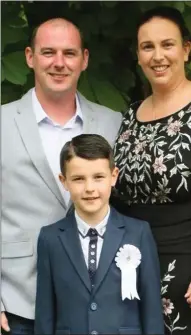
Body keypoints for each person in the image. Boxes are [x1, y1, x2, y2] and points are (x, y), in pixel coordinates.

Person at [1, 18, 122, 335]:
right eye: (48, 52)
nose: (58, 63)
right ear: (30, 57)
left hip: (96, 303)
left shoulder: (113, 124)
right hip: (18, 301)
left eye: (69, 53)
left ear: (84, 59)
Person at [112, 6, 191, 335]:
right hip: (133, 275)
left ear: (186, 49)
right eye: (148, 47)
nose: (158, 56)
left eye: (168, 44)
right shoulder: (130, 116)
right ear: (138, 55)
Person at [34, 134, 164, 335]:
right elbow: (45, 311)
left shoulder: (139, 232)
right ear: (64, 181)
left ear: (113, 176)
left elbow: (152, 309)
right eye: (78, 179)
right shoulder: (49, 238)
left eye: (98, 177)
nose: (89, 188)